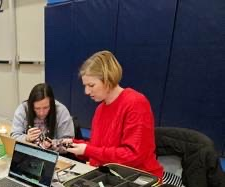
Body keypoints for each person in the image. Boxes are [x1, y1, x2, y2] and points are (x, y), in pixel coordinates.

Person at [66, 50, 164, 179]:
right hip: (111, 176)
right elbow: (99, 150)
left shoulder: (136, 103)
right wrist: (72, 144)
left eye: (91, 85)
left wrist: (87, 150)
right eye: (85, 86)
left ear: (108, 79)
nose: (87, 91)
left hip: (138, 180)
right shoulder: (100, 109)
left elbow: (132, 156)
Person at [11, 83, 74, 153]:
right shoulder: (23, 109)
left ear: (52, 104)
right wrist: (26, 139)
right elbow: (14, 137)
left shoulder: (61, 111)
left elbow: (69, 144)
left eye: (46, 107)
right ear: (31, 105)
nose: (41, 113)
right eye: (37, 108)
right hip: (28, 153)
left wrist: (52, 145)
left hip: (55, 156)